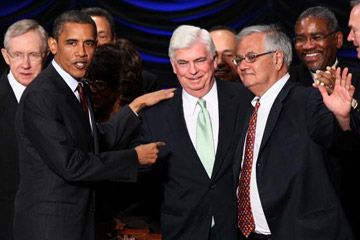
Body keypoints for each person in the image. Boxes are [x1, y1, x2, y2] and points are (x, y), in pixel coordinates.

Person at [13, 10, 174, 240]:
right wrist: (133, 158)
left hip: (79, 223)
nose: (82, 52)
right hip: (50, 227)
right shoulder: (41, 95)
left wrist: (134, 107)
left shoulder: (80, 88)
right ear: (53, 45)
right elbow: (71, 164)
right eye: (72, 43)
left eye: (89, 43)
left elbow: (97, 140)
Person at [233, 24, 358, 239]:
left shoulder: (308, 100)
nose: (243, 65)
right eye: (239, 59)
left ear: (277, 59)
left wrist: (343, 118)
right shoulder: (249, 108)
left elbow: (342, 148)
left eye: (251, 57)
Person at [138, 25, 252, 240]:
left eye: (199, 60)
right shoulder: (155, 115)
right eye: (183, 63)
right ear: (173, 66)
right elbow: (148, 184)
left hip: (237, 230)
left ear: (214, 59)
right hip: (181, 230)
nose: (192, 71)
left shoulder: (246, 101)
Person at [0, 19, 48, 240]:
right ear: (5, 56)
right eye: (18, 55)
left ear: (46, 55)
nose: (25, 64)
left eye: (33, 55)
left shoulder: (61, 100)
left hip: (50, 222)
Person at [82, 7, 159, 93]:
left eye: (102, 36)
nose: (96, 42)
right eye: (89, 35)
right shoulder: (71, 80)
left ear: (114, 39)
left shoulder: (143, 81)